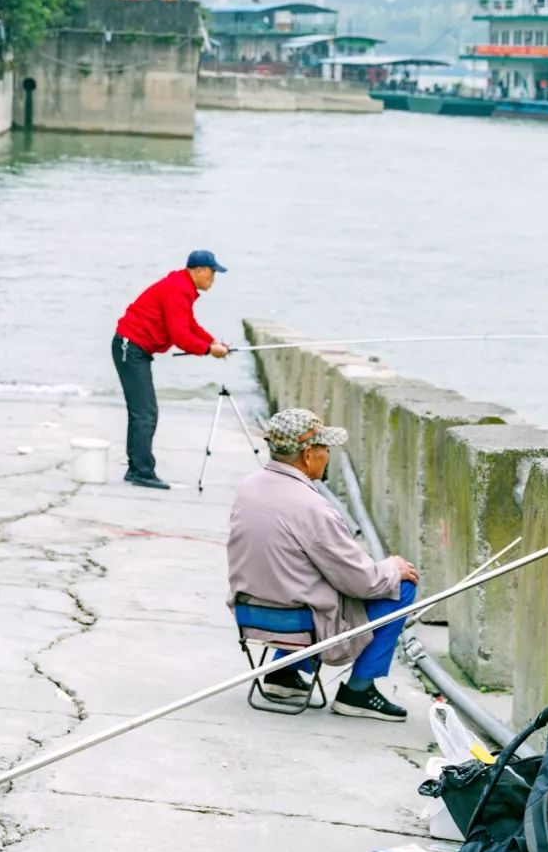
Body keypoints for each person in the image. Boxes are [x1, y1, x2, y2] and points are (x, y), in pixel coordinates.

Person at [227, 407, 419, 722]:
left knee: (300, 578)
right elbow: (362, 581)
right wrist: (393, 567)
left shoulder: (248, 485)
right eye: (325, 449)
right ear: (307, 455)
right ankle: (358, 691)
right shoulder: (314, 507)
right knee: (403, 587)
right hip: (298, 623)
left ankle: (283, 673)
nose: (328, 455)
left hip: (250, 614)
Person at [113, 250, 231, 490]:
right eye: (212, 273)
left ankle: (137, 469)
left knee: (144, 412)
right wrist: (209, 350)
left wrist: (212, 343)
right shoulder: (178, 289)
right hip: (130, 347)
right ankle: (141, 472)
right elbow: (180, 335)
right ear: (198, 271)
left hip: (136, 350)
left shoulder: (182, 288)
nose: (213, 279)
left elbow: (189, 325)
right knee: (144, 413)